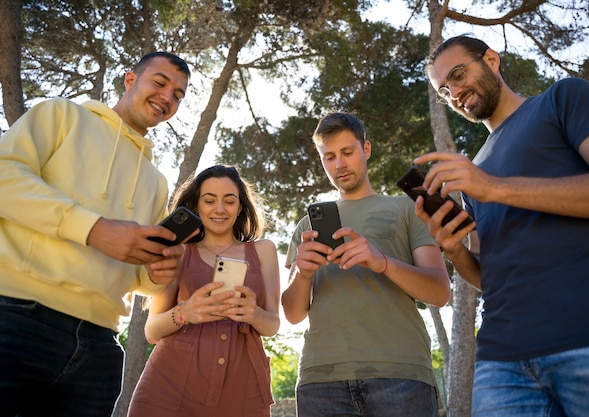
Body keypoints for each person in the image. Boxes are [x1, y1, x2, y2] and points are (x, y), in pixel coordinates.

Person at [416, 34, 589, 416]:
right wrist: (454, 250)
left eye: (459, 75)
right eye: (444, 91)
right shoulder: (474, 172)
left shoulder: (563, 99)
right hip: (502, 359)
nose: (455, 92)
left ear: (492, 60)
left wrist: (495, 188)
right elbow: (487, 276)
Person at [0, 51, 192, 417]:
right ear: (130, 79)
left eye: (179, 95)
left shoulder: (156, 182)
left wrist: (155, 273)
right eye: (161, 82)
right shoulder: (61, 115)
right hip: (16, 320)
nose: (168, 97)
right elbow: (4, 176)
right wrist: (93, 229)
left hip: (100, 347)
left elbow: (139, 276)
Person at [281, 111, 451, 417]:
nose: (339, 164)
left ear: (366, 149)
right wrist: (303, 275)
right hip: (321, 379)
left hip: (401, 375)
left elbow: (439, 292)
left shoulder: (407, 208)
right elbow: (292, 314)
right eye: (329, 156)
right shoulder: (307, 224)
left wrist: (382, 262)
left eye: (347, 152)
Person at [127, 164, 281, 417]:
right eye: (209, 200)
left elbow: (272, 325)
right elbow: (152, 330)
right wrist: (185, 312)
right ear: (196, 206)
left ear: (240, 206)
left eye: (229, 201)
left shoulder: (263, 251)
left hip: (243, 390)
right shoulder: (179, 251)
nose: (219, 209)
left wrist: (253, 313)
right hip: (169, 388)